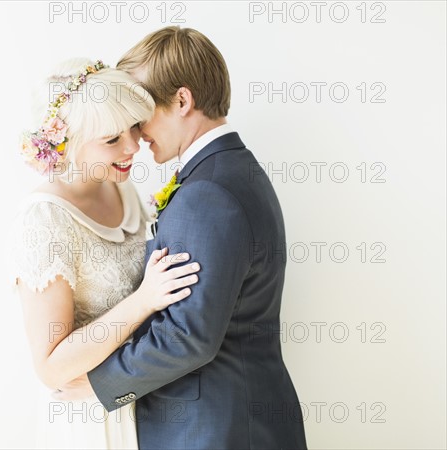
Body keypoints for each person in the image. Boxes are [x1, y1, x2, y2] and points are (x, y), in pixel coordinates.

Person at [56, 28, 308, 449]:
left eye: (141, 111)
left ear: (182, 101)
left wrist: (101, 383)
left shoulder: (207, 193)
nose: (134, 132)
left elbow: (187, 334)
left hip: (211, 429)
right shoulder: (231, 170)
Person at [10, 58, 201, 449]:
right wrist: (144, 301)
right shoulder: (44, 219)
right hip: (90, 421)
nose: (134, 147)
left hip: (142, 400)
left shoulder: (119, 186)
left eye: (133, 129)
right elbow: (52, 368)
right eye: (112, 140)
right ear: (70, 144)